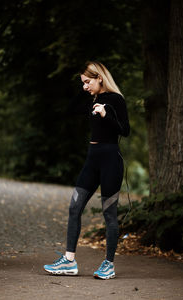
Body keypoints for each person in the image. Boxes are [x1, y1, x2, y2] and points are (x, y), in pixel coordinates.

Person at [44, 61, 130, 279]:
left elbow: (125, 131)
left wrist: (105, 115)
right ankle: (69, 262)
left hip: (111, 160)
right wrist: (86, 90)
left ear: (100, 77)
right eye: (83, 83)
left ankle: (108, 264)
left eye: (88, 81)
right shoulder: (92, 98)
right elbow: (69, 110)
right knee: (75, 206)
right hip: (92, 161)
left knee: (109, 213)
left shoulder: (115, 100)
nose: (85, 86)